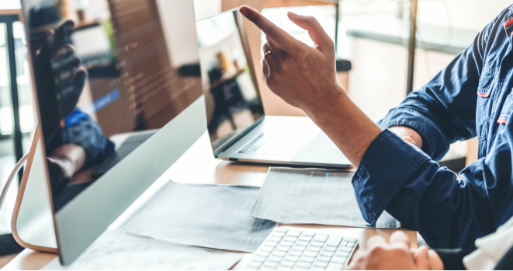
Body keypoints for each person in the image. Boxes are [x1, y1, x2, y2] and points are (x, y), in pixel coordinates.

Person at [238, 3, 513, 251]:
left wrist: (327, 103)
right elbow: (435, 102)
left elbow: (472, 218)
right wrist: (402, 138)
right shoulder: (504, 27)